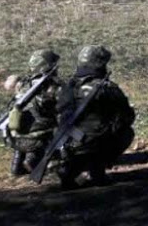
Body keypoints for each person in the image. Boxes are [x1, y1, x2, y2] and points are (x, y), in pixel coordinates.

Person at [55, 45, 135, 189]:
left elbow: (60, 112)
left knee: (82, 143)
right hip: (96, 141)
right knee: (126, 132)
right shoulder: (107, 87)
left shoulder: (69, 87)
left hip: (71, 142)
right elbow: (127, 115)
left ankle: (70, 170)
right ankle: (98, 170)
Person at [6, 49, 63, 176]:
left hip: (15, 138)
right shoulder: (53, 86)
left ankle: (17, 168)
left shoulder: (23, 84)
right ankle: (36, 161)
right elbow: (65, 109)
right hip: (37, 138)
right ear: (48, 65)